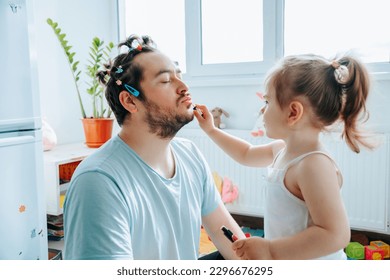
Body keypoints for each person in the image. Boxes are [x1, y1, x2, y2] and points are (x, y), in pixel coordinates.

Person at [63, 35, 246, 260]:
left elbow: (232, 241)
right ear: (130, 101)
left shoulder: (189, 154)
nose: (184, 87)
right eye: (166, 80)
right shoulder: (98, 181)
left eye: (179, 76)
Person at [194, 54, 373, 260]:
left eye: (267, 101)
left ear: (293, 113)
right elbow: (246, 154)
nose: (262, 109)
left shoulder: (313, 164)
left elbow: (336, 235)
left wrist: (271, 250)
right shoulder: (281, 149)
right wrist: (212, 130)